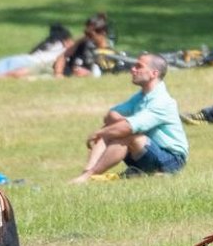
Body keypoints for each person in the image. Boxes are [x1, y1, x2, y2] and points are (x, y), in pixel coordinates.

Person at [73, 53, 189, 182]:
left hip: (172, 160)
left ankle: (88, 176)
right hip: (148, 151)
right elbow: (110, 115)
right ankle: (86, 174)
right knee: (111, 130)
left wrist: (115, 129)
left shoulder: (162, 101)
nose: (132, 69)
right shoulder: (141, 97)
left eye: (139, 66)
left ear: (154, 73)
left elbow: (128, 127)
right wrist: (115, 129)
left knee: (124, 135)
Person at [0, 24, 71, 80]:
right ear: (66, 39)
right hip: (28, 63)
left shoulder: (47, 44)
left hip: (20, 58)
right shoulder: (63, 48)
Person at [57, 12, 112, 77]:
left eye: (90, 34)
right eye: (86, 33)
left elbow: (106, 75)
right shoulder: (83, 43)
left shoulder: (108, 54)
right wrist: (58, 73)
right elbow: (63, 56)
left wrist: (88, 74)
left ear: (103, 33)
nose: (87, 37)